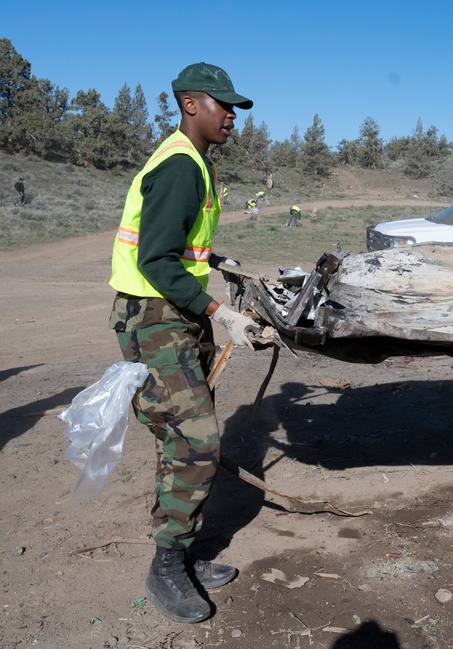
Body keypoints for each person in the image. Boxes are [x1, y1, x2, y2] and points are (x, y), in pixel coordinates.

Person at [108, 62, 261, 624]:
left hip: (172, 312)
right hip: (155, 319)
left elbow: (174, 242)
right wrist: (221, 313)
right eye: (224, 106)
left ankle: (181, 550)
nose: (232, 118)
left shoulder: (193, 160)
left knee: (183, 440)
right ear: (191, 104)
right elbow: (153, 259)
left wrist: (214, 260)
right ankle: (167, 562)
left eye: (236, 109)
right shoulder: (179, 164)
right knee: (195, 441)